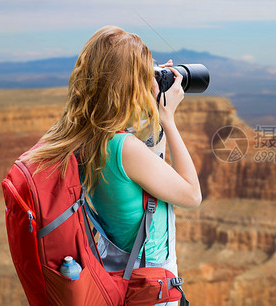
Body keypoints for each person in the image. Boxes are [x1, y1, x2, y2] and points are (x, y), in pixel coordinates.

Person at [25, 25, 202, 305]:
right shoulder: (126, 150)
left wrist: (149, 108)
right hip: (150, 288)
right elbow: (192, 195)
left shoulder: (84, 138)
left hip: (116, 277)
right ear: (129, 84)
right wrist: (167, 118)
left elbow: (145, 166)